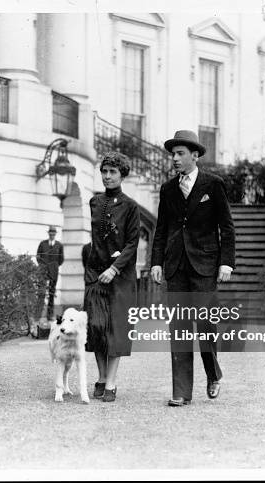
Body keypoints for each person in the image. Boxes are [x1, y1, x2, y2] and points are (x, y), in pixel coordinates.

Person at [150, 130, 235, 407]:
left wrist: (226, 262)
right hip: (176, 267)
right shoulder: (168, 189)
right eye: (173, 154)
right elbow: (161, 229)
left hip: (205, 266)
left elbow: (227, 226)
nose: (174, 159)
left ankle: (213, 373)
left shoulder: (213, 184)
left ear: (194, 155)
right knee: (179, 328)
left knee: (205, 325)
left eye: (180, 154)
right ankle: (181, 391)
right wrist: (156, 262)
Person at [83, 152, 140, 402]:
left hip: (119, 275)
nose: (107, 176)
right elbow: (95, 240)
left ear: (122, 174)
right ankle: (102, 376)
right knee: (95, 327)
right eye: (104, 171)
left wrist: (114, 268)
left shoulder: (130, 206)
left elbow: (132, 243)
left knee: (115, 330)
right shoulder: (94, 202)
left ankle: (112, 383)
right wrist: (93, 268)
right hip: (96, 273)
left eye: (112, 172)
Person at [36, 226, 64, 320]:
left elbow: (61, 259)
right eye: (50, 233)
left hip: (54, 271)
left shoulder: (59, 245)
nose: (52, 235)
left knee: (52, 293)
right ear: (48, 234)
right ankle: (38, 314)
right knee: (41, 292)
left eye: (53, 233)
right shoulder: (42, 244)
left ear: (55, 234)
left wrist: (54, 267)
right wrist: (43, 266)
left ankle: (50, 315)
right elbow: (38, 257)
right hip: (43, 271)